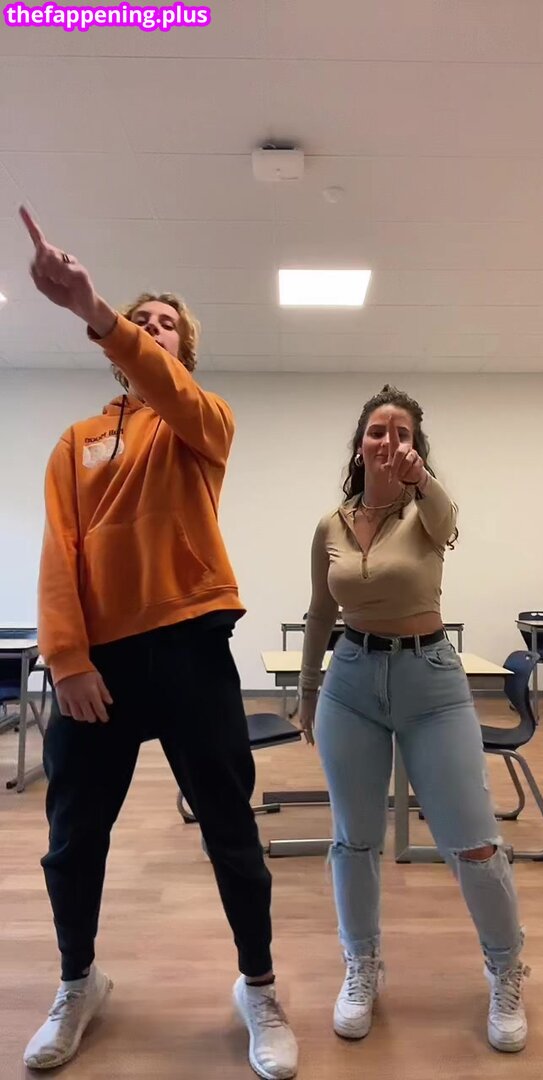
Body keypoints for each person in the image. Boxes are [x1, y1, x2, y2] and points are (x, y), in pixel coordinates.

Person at [19, 206, 298, 1080]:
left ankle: (259, 986)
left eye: (164, 323)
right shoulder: (76, 443)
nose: (149, 328)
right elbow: (58, 554)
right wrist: (67, 660)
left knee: (230, 830)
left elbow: (168, 389)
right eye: (140, 320)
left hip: (189, 651)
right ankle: (78, 981)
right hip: (98, 669)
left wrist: (97, 310)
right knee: (73, 839)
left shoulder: (200, 423)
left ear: (184, 351)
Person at [297, 384, 529, 1053]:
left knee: (473, 841)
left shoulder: (426, 510)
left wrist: (420, 478)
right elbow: (320, 612)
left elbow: (448, 516)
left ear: (416, 448)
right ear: (359, 445)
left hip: (431, 682)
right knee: (354, 839)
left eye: (402, 432)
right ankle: (362, 965)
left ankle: (506, 968)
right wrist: (308, 691)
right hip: (351, 681)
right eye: (377, 430)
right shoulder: (331, 525)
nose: (388, 440)